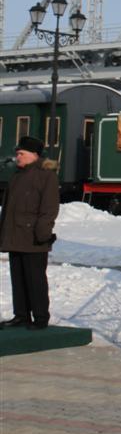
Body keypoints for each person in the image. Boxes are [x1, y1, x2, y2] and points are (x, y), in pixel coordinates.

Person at [0, 135, 59, 330]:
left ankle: (40, 318)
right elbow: (7, 207)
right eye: (17, 153)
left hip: (34, 238)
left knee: (35, 281)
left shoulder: (46, 175)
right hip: (15, 236)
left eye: (21, 153)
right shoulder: (17, 175)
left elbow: (49, 208)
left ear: (34, 154)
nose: (17, 157)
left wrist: (42, 234)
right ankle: (21, 315)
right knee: (18, 279)